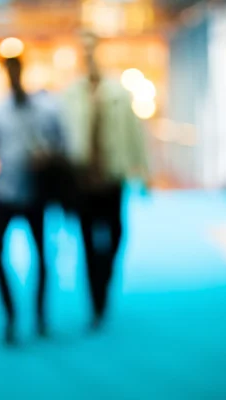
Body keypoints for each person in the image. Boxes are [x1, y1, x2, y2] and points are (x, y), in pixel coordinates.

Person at [62, 30, 149, 330]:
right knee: (87, 243)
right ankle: (96, 302)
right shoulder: (71, 94)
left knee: (115, 236)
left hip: (112, 178)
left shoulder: (118, 92)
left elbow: (135, 132)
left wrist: (143, 170)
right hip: (83, 181)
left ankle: (106, 277)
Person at [0, 56, 65, 345]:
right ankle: (10, 317)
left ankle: (41, 316)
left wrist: (46, 157)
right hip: (5, 192)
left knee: (43, 257)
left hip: (35, 194)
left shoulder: (44, 110)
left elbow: (61, 145)